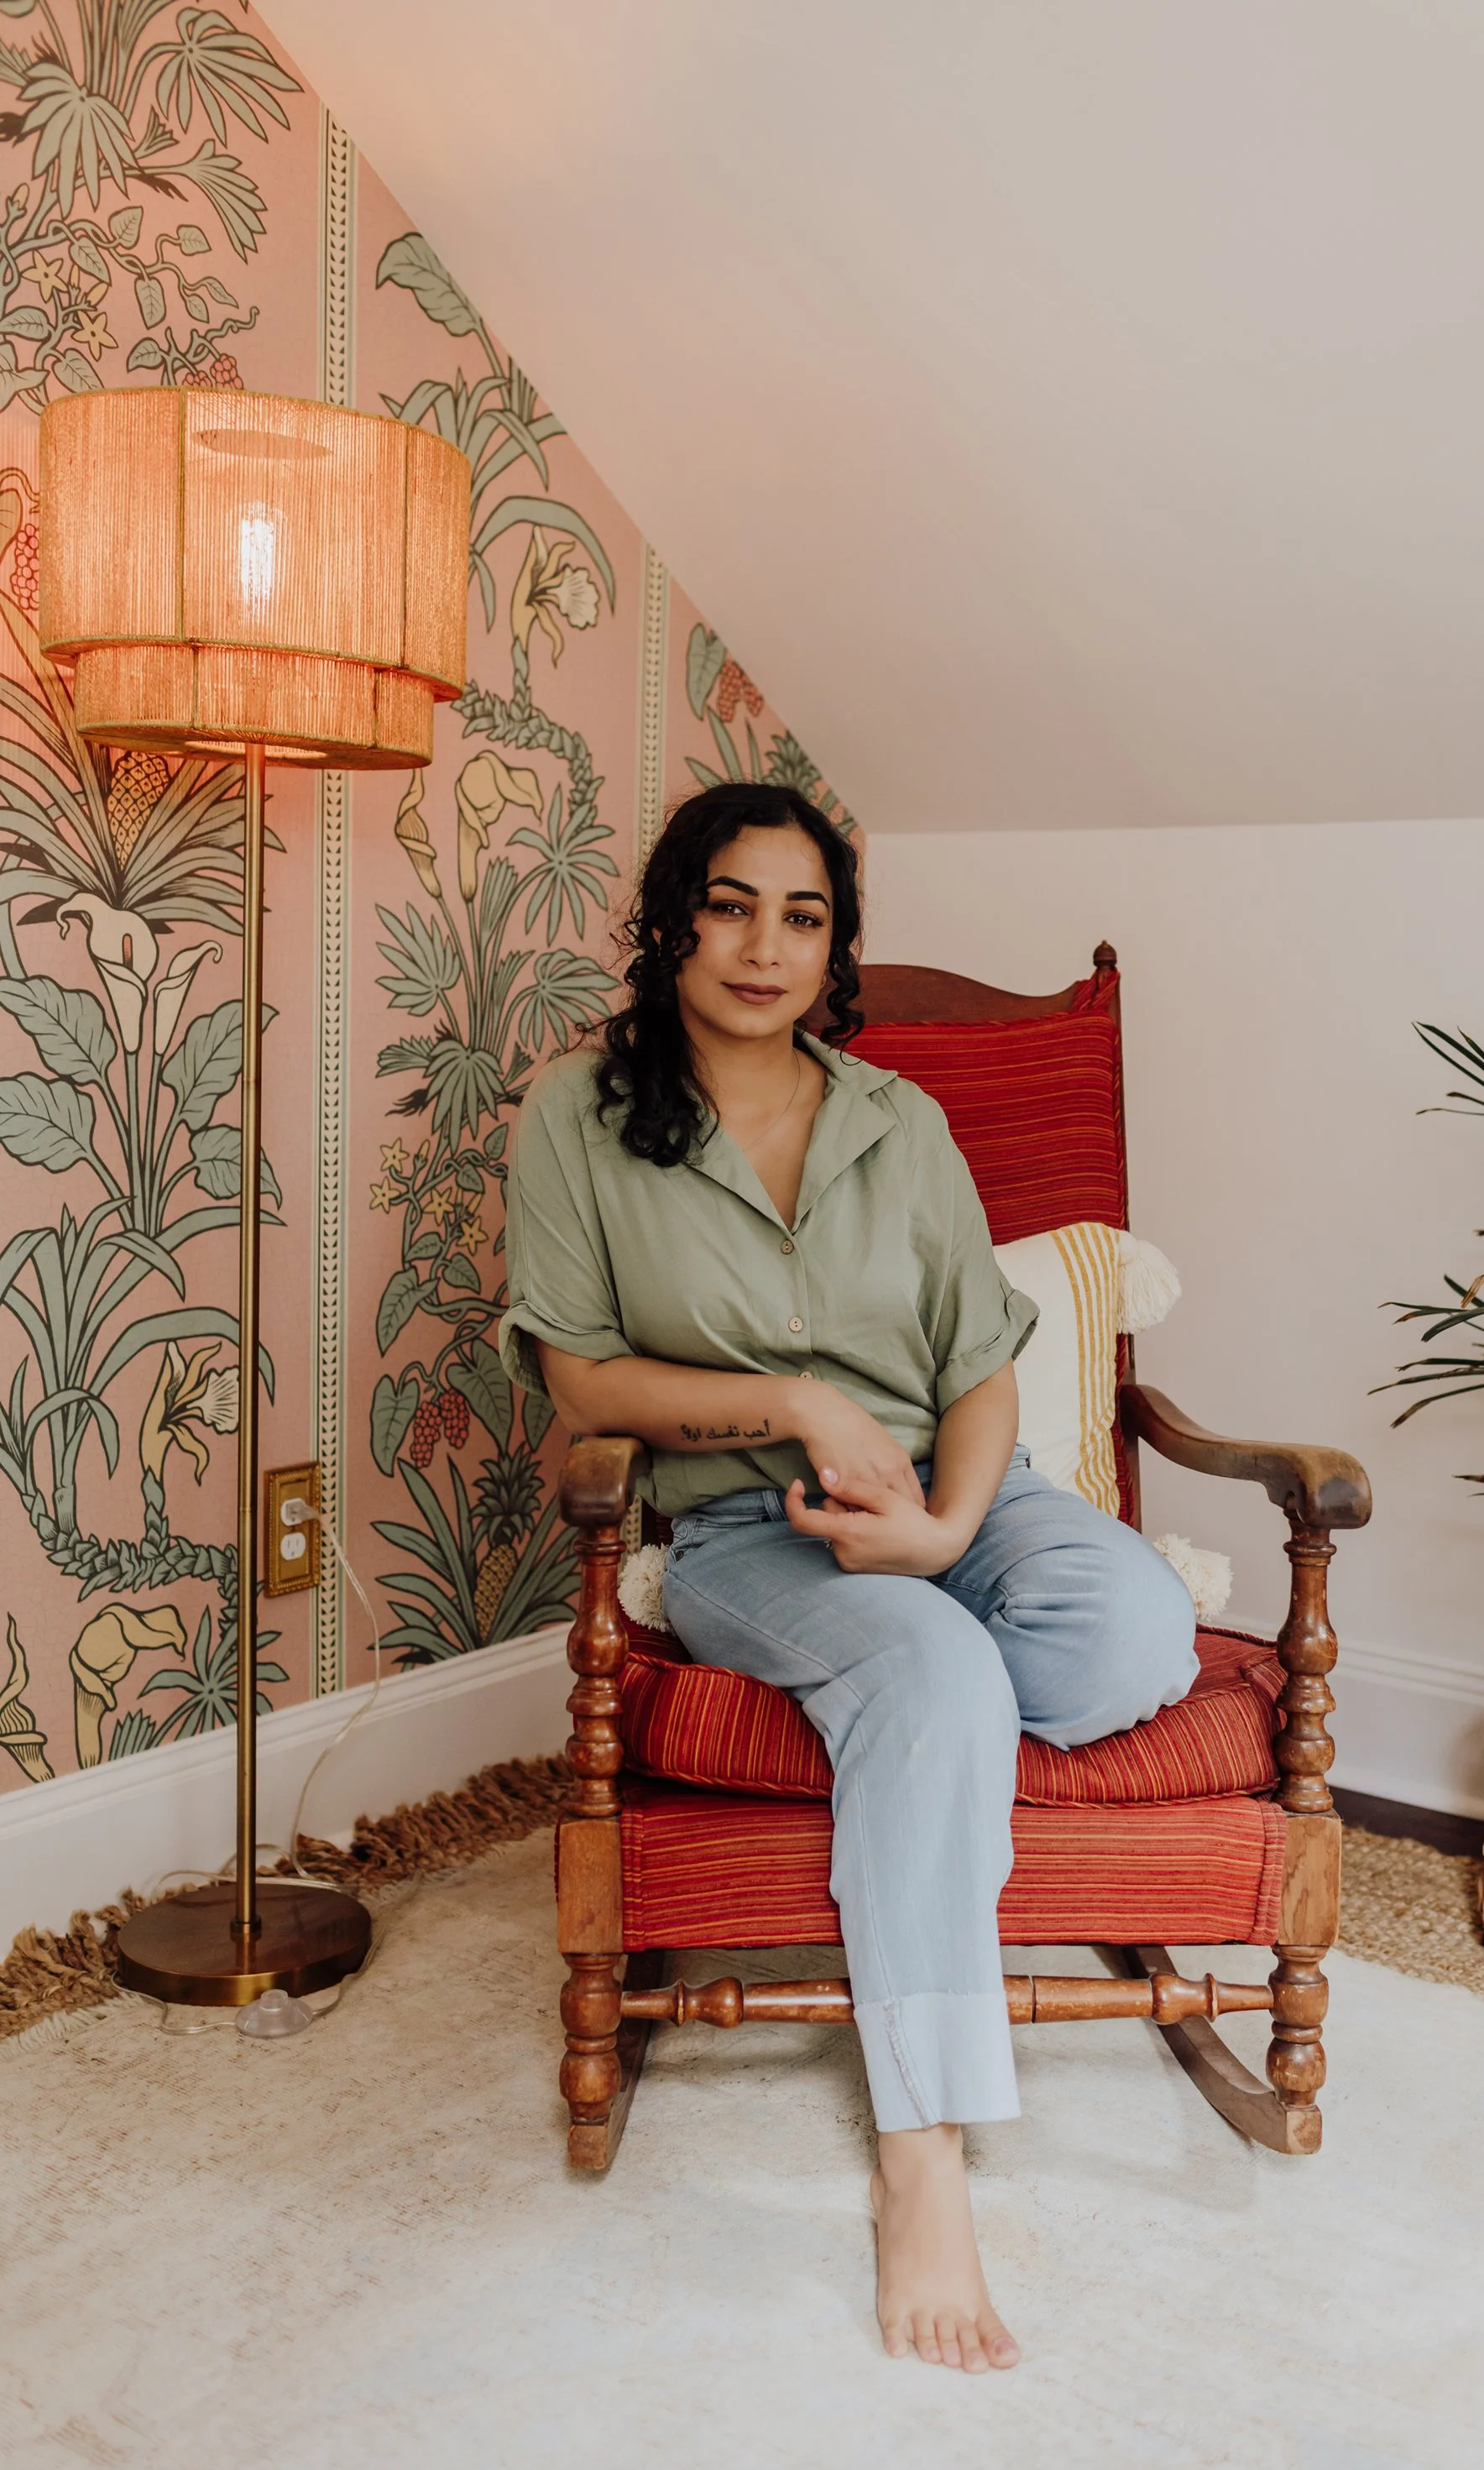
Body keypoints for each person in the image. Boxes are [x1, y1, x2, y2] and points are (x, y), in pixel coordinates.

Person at [498, 783, 1197, 2373]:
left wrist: (950, 1531)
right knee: (941, 1676)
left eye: (803, 916)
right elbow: (584, 1384)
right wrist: (797, 1404)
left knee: (1136, 1625)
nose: (764, 946)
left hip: (960, 1492)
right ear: (672, 917)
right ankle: (926, 2149)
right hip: (751, 1527)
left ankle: (911, 1710)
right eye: (731, 905)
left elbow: (983, 1364)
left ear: (837, 947)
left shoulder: (902, 1120)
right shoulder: (578, 1116)